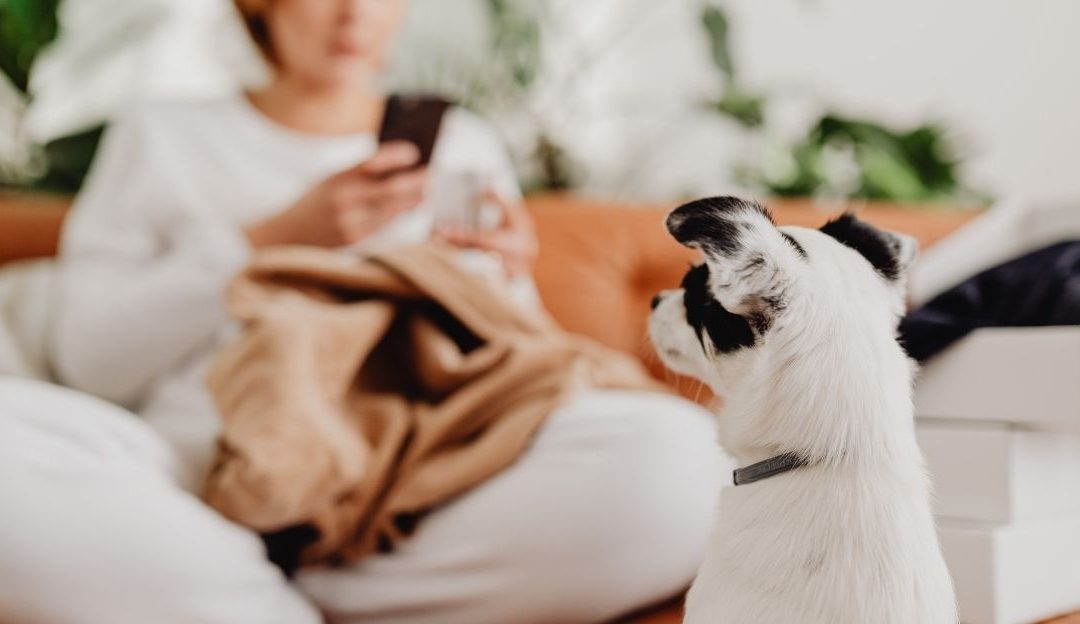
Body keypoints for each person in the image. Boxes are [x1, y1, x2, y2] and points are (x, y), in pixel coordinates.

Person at [0, 1, 726, 622]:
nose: (355, 15)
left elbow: (524, 372)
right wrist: (269, 242)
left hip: (413, 479)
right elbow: (87, 361)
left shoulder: (464, 145)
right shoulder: (164, 135)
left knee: (686, 464)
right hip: (195, 476)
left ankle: (253, 594)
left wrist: (504, 277)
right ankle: (238, 576)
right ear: (261, 4)